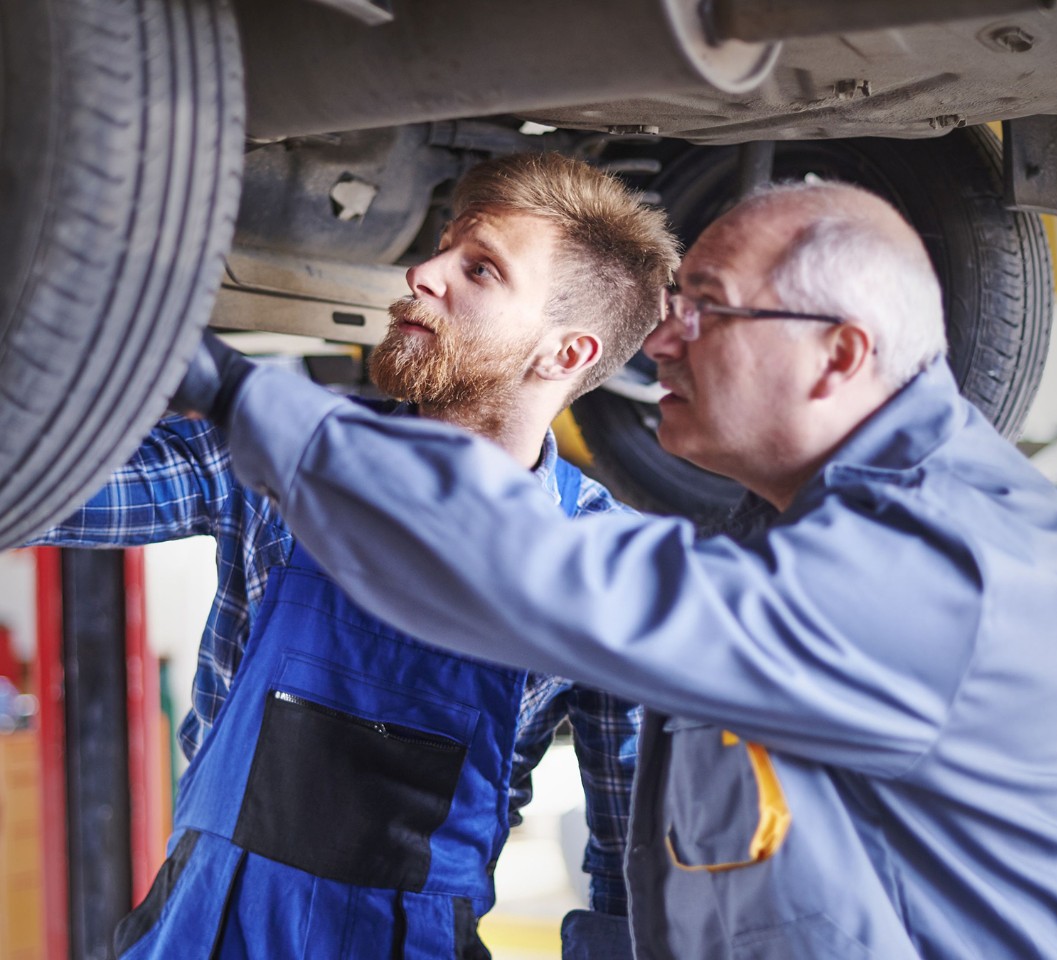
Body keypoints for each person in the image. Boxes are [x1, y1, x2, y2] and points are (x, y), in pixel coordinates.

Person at [177, 180, 1057, 958]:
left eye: (708, 310)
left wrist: (234, 393)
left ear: (838, 355)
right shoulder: (789, 531)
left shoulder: (943, 562)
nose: (662, 342)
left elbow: (550, 574)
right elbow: (659, 880)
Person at [31, 152, 679, 959]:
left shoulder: (605, 566)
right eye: (442, 248)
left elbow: (632, 872)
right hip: (200, 929)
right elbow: (47, 487)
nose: (422, 274)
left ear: (567, 353)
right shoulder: (288, 443)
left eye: (479, 269)